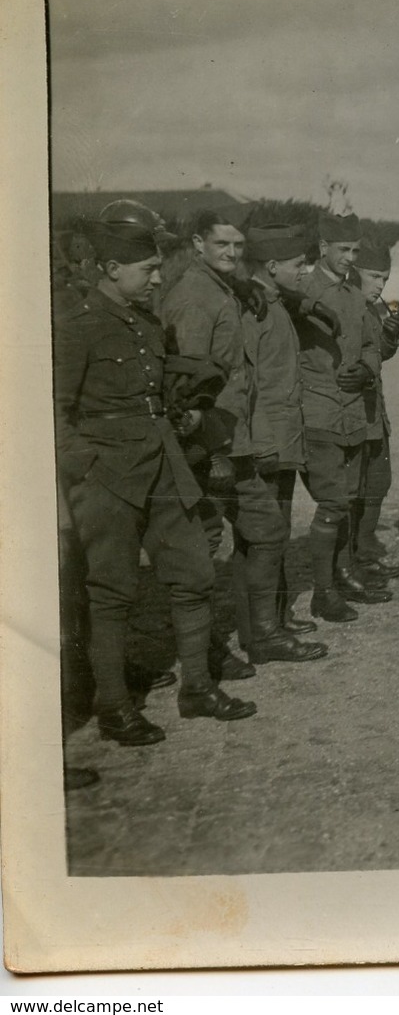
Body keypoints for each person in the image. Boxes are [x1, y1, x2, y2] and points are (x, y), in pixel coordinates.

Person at [55, 211, 255, 745]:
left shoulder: (144, 322)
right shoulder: (78, 326)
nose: (159, 279)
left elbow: (155, 389)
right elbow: (54, 410)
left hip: (162, 462)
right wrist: (87, 470)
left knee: (194, 572)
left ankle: (196, 687)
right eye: (148, 269)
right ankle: (114, 707)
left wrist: (185, 413)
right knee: (112, 593)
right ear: (113, 267)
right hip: (107, 477)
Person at [160, 207, 288, 675]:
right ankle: (210, 651)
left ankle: (261, 635)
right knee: (204, 549)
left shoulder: (219, 287)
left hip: (235, 441)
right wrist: (210, 453)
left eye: (238, 245)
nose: (233, 253)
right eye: (222, 245)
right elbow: (185, 386)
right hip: (211, 448)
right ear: (197, 244)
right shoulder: (196, 298)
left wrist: (246, 285)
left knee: (266, 530)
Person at [293, 212, 390, 622]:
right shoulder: (299, 291)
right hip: (318, 412)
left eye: (354, 250)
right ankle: (323, 591)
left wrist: (368, 368)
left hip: (355, 414)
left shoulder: (353, 295)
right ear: (322, 249)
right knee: (332, 501)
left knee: (348, 498)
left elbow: (372, 343)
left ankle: (345, 571)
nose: (350, 258)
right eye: (343, 250)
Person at [241, 222, 330, 659]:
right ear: (272, 266)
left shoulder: (271, 301)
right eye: (298, 264)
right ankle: (263, 633)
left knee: (275, 531)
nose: (306, 270)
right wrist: (261, 445)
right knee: (265, 536)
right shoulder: (253, 309)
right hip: (267, 442)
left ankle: (272, 619)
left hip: (283, 439)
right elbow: (247, 384)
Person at [348, 241, 399, 579]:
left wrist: (389, 337)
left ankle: (366, 553)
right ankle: (350, 562)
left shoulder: (371, 309)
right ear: (355, 273)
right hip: (351, 412)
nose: (380, 285)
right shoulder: (344, 306)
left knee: (378, 482)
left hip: (374, 413)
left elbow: (376, 356)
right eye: (373, 276)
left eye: (384, 278)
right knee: (351, 490)